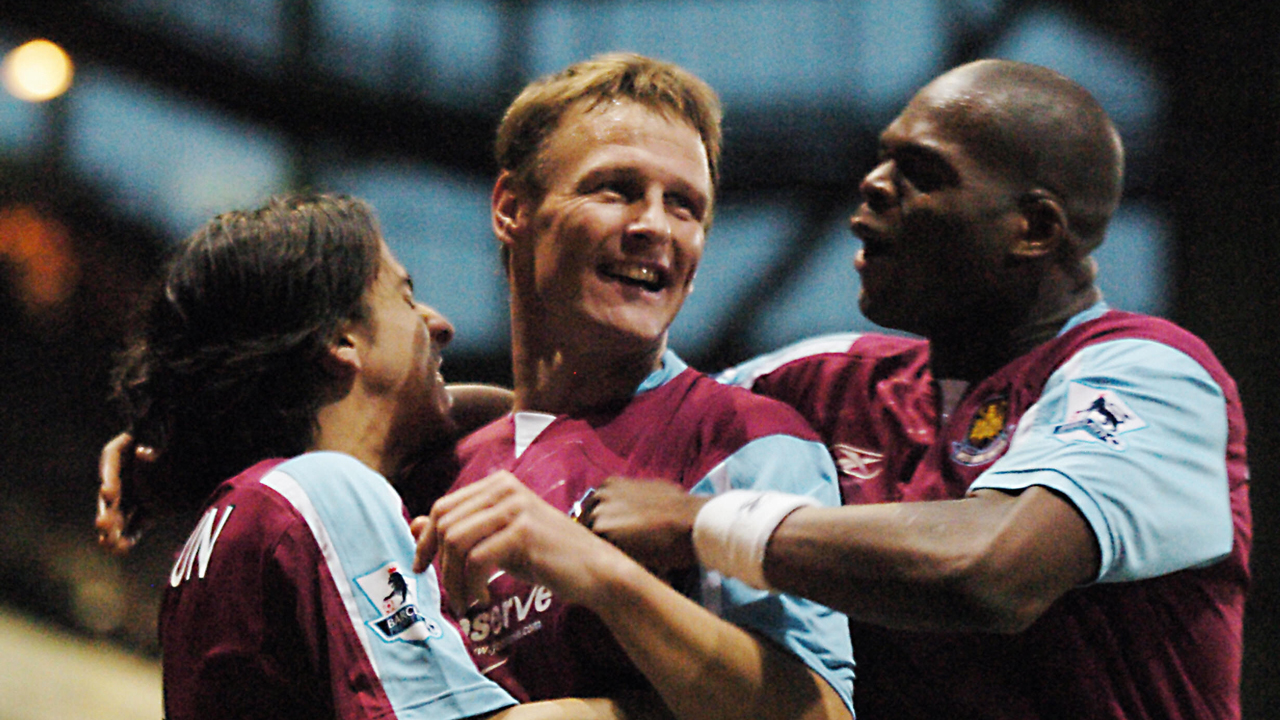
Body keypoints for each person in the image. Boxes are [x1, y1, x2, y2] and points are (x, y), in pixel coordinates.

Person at [584, 59, 1251, 720]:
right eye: (884, 159)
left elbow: (993, 572)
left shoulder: (1154, 377)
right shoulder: (819, 381)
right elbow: (607, 438)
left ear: (1035, 229)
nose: (874, 184)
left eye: (923, 173)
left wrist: (703, 524)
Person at [410, 53, 854, 720]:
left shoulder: (744, 440)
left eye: (684, 206)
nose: (654, 227)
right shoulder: (431, 477)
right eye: (616, 189)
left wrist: (603, 576)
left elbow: (821, 716)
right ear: (511, 208)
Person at [112, 193, 628, 720]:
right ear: (341, 339)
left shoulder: (238, 516)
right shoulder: (326, 491)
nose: (440, 324)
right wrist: (666, 695)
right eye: (406, 298)